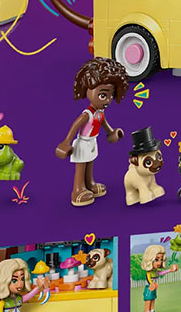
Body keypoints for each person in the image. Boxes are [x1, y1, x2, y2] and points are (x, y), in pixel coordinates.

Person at [55, 57, 129, 207]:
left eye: (111, 95)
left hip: (92, 141)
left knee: (90, 163)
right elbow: (75, 125)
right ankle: (77, 190)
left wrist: (113, 133)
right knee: (81, 166)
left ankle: (90, 184)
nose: (107, 100)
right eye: (103, 95)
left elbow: (106, 127)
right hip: (83, 143)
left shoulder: (100, 113)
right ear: (88, 90)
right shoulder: (87, 114)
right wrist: (66, 142)